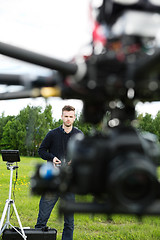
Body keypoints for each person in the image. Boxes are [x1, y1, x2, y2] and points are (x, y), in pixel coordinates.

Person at [35, 105, 83, 240]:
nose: (68, 119)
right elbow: (41, 151)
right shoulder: (52, 134)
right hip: (52, 179)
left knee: (69, 221)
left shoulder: (79, 135)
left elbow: (84, 154)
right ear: (61, 117)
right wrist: (52, 158)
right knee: (42, 217)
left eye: (71, 116)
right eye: (66, 116)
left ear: (74, 118)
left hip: (69, 181)